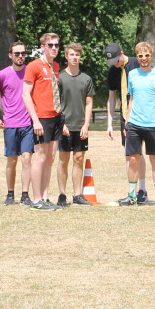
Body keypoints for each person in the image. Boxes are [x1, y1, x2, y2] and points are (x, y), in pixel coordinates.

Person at [118, 41, 155, 206]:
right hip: (134, 123)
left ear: (152, 56)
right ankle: (131, 195)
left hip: (153, 124)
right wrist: (127, 120)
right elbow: (131, 99)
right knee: (133, 159)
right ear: (137, 57)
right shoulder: (132, 74)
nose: (144, 59)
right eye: (140, 56)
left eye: (147, 55)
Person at [0, 41, 33, 206]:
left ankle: (26, 195)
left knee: (27, 158)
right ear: (10, 55)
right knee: (12, 160)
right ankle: (10, 194)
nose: (20, 56)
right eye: (17, 54)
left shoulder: (31, 71)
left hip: (28, 123)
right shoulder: (2, 74)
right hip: (10, 124)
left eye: (23, 53)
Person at [21, 32, 63, 209]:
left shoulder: (56, 67)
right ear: (43, 47)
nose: (54, 48)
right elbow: (25, 94)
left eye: (56, 45)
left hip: (56, 116)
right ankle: (36, 199)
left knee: (51, 157)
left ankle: (45, 197)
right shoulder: (34, 66)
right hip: (42, 117)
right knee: (40, 156)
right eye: (50, 45)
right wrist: (35, 120)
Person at [56, 43, 95, 205]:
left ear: (80, 56)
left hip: (80, 126)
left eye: (77, 55)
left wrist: (86, 125)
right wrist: (61, 123)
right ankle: (62, 194)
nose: (74, 57)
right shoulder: (59, 77)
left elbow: (88, 103)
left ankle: (78, 194)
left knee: (79, 158)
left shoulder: (86, 79)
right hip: (65, 126)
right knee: (63, 160)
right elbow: (55, 102)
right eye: (71, 54)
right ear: (66, 56)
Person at [104, 43, 146, 192]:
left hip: (141, 115)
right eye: (112, 62)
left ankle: (142, 189)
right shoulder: (112, 71)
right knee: (129, 154)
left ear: (122, 53)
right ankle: (132, 191)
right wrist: (110, 124)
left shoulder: (136, 63)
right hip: (124, 117)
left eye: (116, 59)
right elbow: (111, 98)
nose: (115, 64)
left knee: (138, 154)